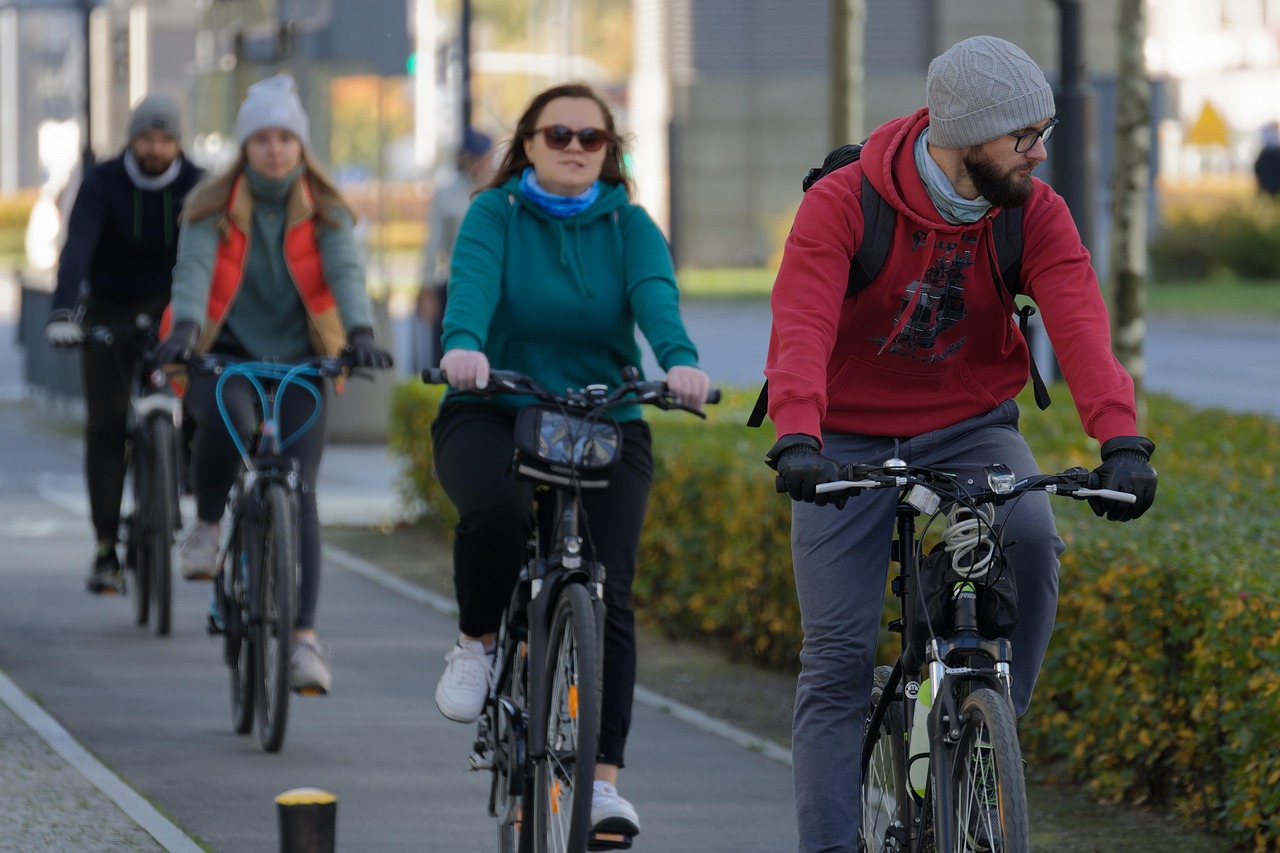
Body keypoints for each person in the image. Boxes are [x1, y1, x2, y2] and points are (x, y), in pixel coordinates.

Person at [761, 36, 1159, 851]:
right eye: (1025, 138)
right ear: (965, 136)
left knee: (1034, 538)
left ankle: (987, 739)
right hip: (844, 435)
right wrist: (798, 433)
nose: (1040, 154)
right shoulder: (844, 203)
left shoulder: (1032, 213)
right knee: (836, 662)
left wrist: (1121, 438)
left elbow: (1081, 325)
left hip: (973, 426)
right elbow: (800, 323)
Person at [429, 82, 710, 838]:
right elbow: (474, 284)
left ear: (610, 153)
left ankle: (605, 782)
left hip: (600, 418)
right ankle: (478, 644)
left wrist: (679, 364)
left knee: (609, 587)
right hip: (495, 408)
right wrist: (463, 345)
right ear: (527, 144)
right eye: (560, 135)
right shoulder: (495, 214)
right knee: (498, 510)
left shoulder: (631, 226)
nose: (577, 149)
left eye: (593, 139)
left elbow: (657, 299)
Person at [154, 74, 392, 694]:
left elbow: (344, 270)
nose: (275, 149)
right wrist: (183, 328)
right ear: (245, 145)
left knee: (299, 491)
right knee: (225, 421)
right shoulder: (211, 203)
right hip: (226, 352)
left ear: (300, 144)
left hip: (301, 361)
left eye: (286, 137)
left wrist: (359, 330)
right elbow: (195, 268)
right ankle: (207, 525)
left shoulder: (324, 207)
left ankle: (305, 642)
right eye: (263, 138)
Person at [44, 93, 204, 595]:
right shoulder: (103, 181)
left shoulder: (198, 184)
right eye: (146, 137)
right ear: (131, 139)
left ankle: (188, 486)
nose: (156, 148)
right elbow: (78, 249)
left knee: (203, 397)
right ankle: (105, 548)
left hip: (175, 307)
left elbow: (215, 252)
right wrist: (63, 312)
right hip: (109, 306)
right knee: (107, 423)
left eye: (166, 138)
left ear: (178, 142)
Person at [413, 127, 493, 370]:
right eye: (473, 157)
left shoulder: (503, 191)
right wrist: (426, 287)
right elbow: (433, 243)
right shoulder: (447, 194)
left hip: (496, 284)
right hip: (456, 282)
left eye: (483, 157)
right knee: (451, 352)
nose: (478, 163)